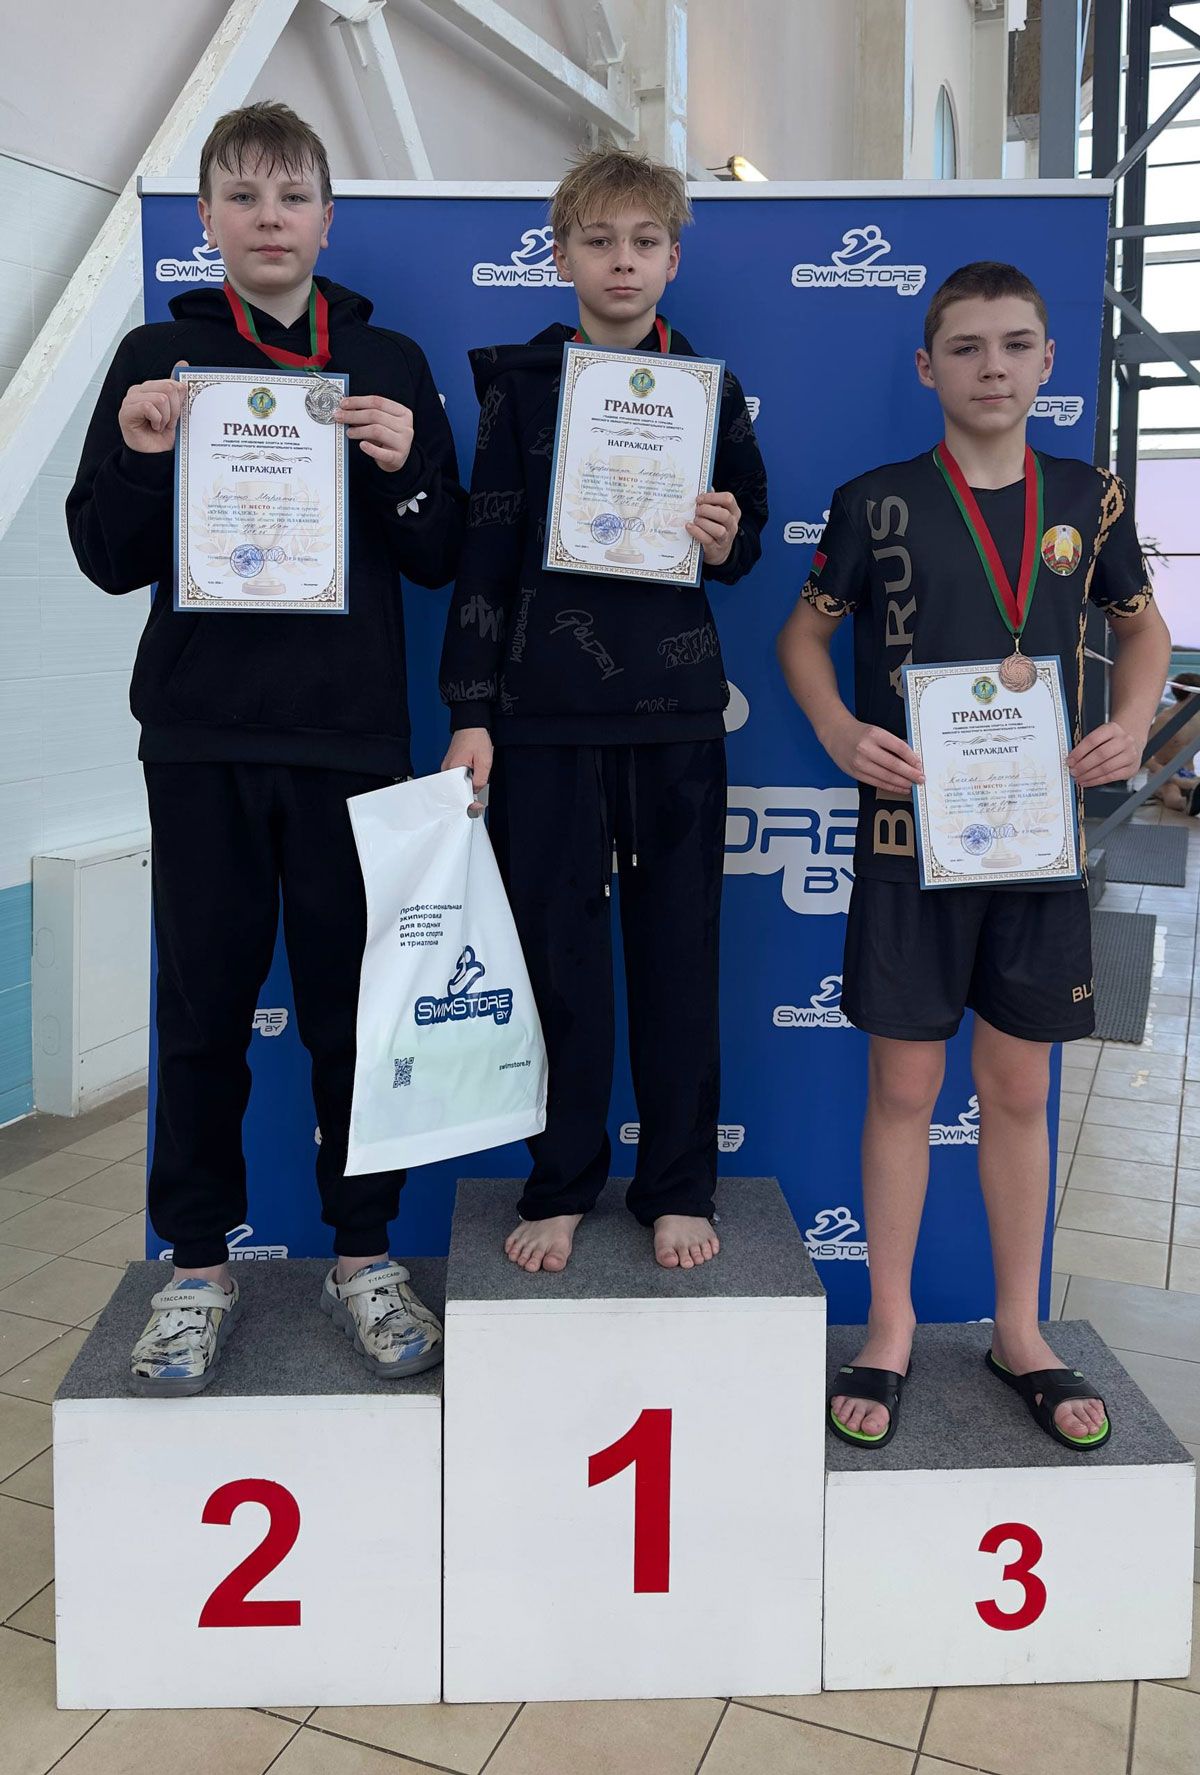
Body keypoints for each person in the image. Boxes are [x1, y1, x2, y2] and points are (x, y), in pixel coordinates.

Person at [67, 102, 466, 1394]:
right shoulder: (158, 356)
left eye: (291, 197)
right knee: (201, 1014)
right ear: (207, 220)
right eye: (242, 197)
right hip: (198, 734)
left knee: (355, 1015)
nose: (269, 218)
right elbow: (105, 555)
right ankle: (196, 1266)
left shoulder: (388, 359)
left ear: (327, 219)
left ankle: (363, 1255)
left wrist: (407, 469)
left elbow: (440, 550)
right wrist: (142, 453)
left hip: (349, 738)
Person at [776, 261, 1170, 1451]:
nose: (991, 367)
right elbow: (804, 636)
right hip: (911, 842)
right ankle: (890, 1322)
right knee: (904, 1089)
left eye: (1013, 345)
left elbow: (1142, 628)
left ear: (1048, 362)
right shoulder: (874, 502)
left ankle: (1019, 1326)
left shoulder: (1089, 498)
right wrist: (839, 731)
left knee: (1019, 1090)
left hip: (1037, 845)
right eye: (965, 347)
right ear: (927, 367)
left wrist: (1133, 721)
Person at [438, 148, 768, 1274]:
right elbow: (484, 553)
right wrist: (471, 709)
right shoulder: (521, 386)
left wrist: (726, 538)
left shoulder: (710, 391)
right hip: (541, 717)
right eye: (599, 241)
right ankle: (563, 1181)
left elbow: (746, 538)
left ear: (674, 259)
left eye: (644, 242)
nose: (622, 262)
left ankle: (676, 1184)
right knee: (556, 963)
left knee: (679, 957)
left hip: (674, 716)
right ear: (561, 256)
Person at [1146, 672, 1200, 814]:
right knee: (1172, 795)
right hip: (1164, 773)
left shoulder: (1198, 718)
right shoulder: (1165, 719)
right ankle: (1186, 804)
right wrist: (1170, 776)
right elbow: (1143, 755)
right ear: (1192, 696)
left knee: (1193, 787)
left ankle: (1192, 798)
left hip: (1189, 774)